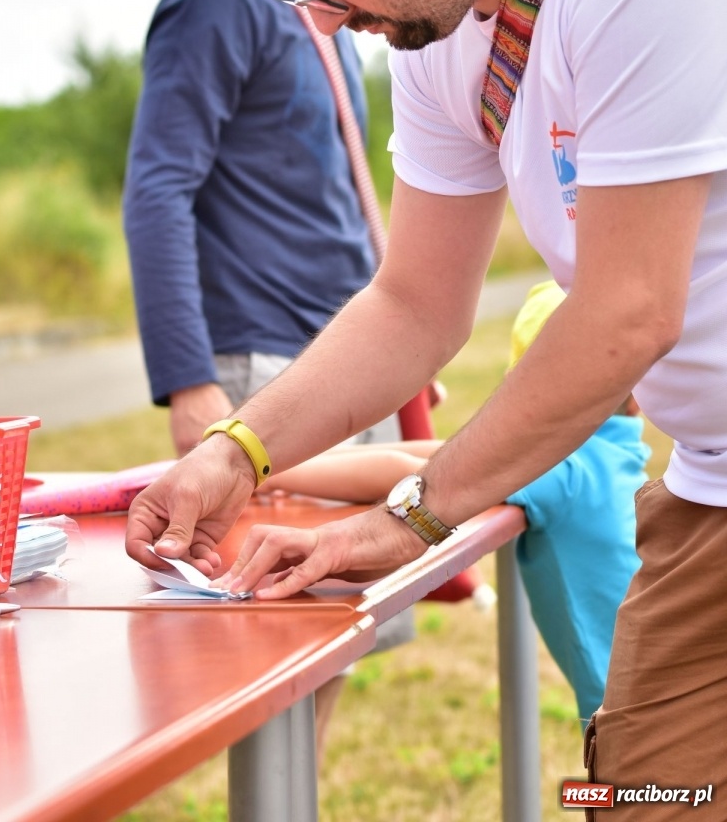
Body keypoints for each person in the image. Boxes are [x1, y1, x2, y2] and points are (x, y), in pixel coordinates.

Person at [125, 0, 727, 814]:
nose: (326, 24)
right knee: (647, 788)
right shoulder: (444, 24)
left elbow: (629, 313)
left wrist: (415, 511)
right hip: (708, 480)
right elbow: (412, 303)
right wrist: (238, 446)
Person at [122, 0, 412, 762]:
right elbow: (159, 184)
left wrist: (401, 364)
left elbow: (334, 191)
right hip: (264, 359)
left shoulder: (331, 18)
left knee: (337, 632)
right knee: (274, 637)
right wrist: (188, 380)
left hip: (345, 356)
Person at [255, 279, 649, 730]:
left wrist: (271, 474)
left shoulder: (564, 467)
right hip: (654, 689)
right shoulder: (610, 451)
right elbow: (435, 456)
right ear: (637, 396)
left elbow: (408, 472)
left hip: (633, 713)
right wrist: (271, 464)